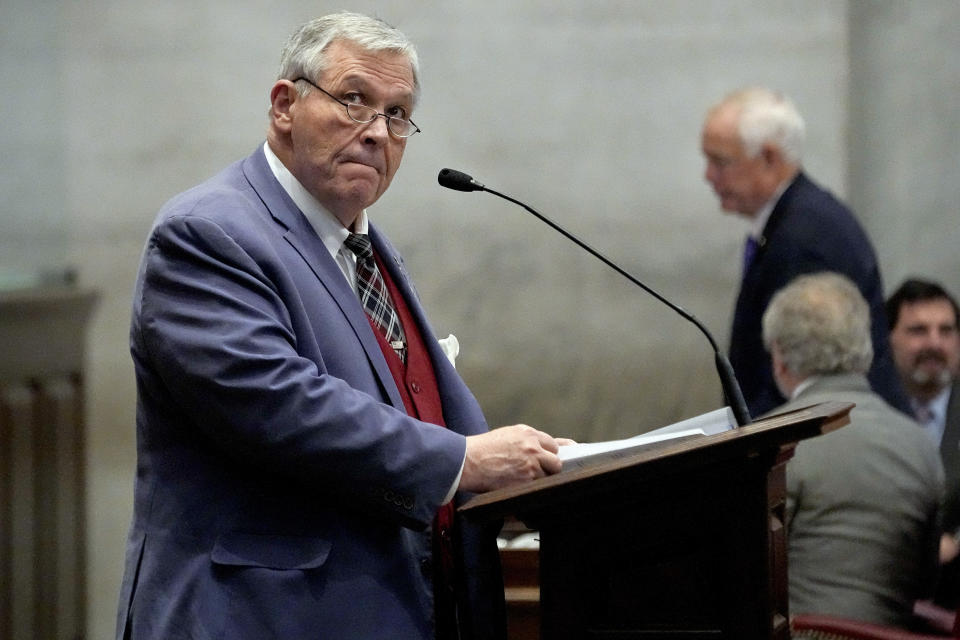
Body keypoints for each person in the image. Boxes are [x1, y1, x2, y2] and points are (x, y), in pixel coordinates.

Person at [115, 13, 570, 640]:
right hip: (261, 616)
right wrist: (463, 462)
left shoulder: (362, 245)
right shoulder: (208, 233)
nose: (377, 133)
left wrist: (533, 473)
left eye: (398, 113)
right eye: (354, 101)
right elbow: (278, 405)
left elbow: (417, 402)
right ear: (284, 106)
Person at [701, 87, 910, 418]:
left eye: (720, 162)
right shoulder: (795, 221)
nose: (708, 176)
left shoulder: (806, 239)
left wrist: (742, 446)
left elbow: (810, 372)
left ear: (769, 158)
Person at [762, 272, 943, 627]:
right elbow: (925, 582)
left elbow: (746, 578)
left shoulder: (769, 444)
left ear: (780, 357)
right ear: (867, 349)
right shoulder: (920, 444)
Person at [887, 278, 960, 607]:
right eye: (918, 330)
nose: (935, 343)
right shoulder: (869, 410)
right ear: (888, 339)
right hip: (886, 586)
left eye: (946, 331)